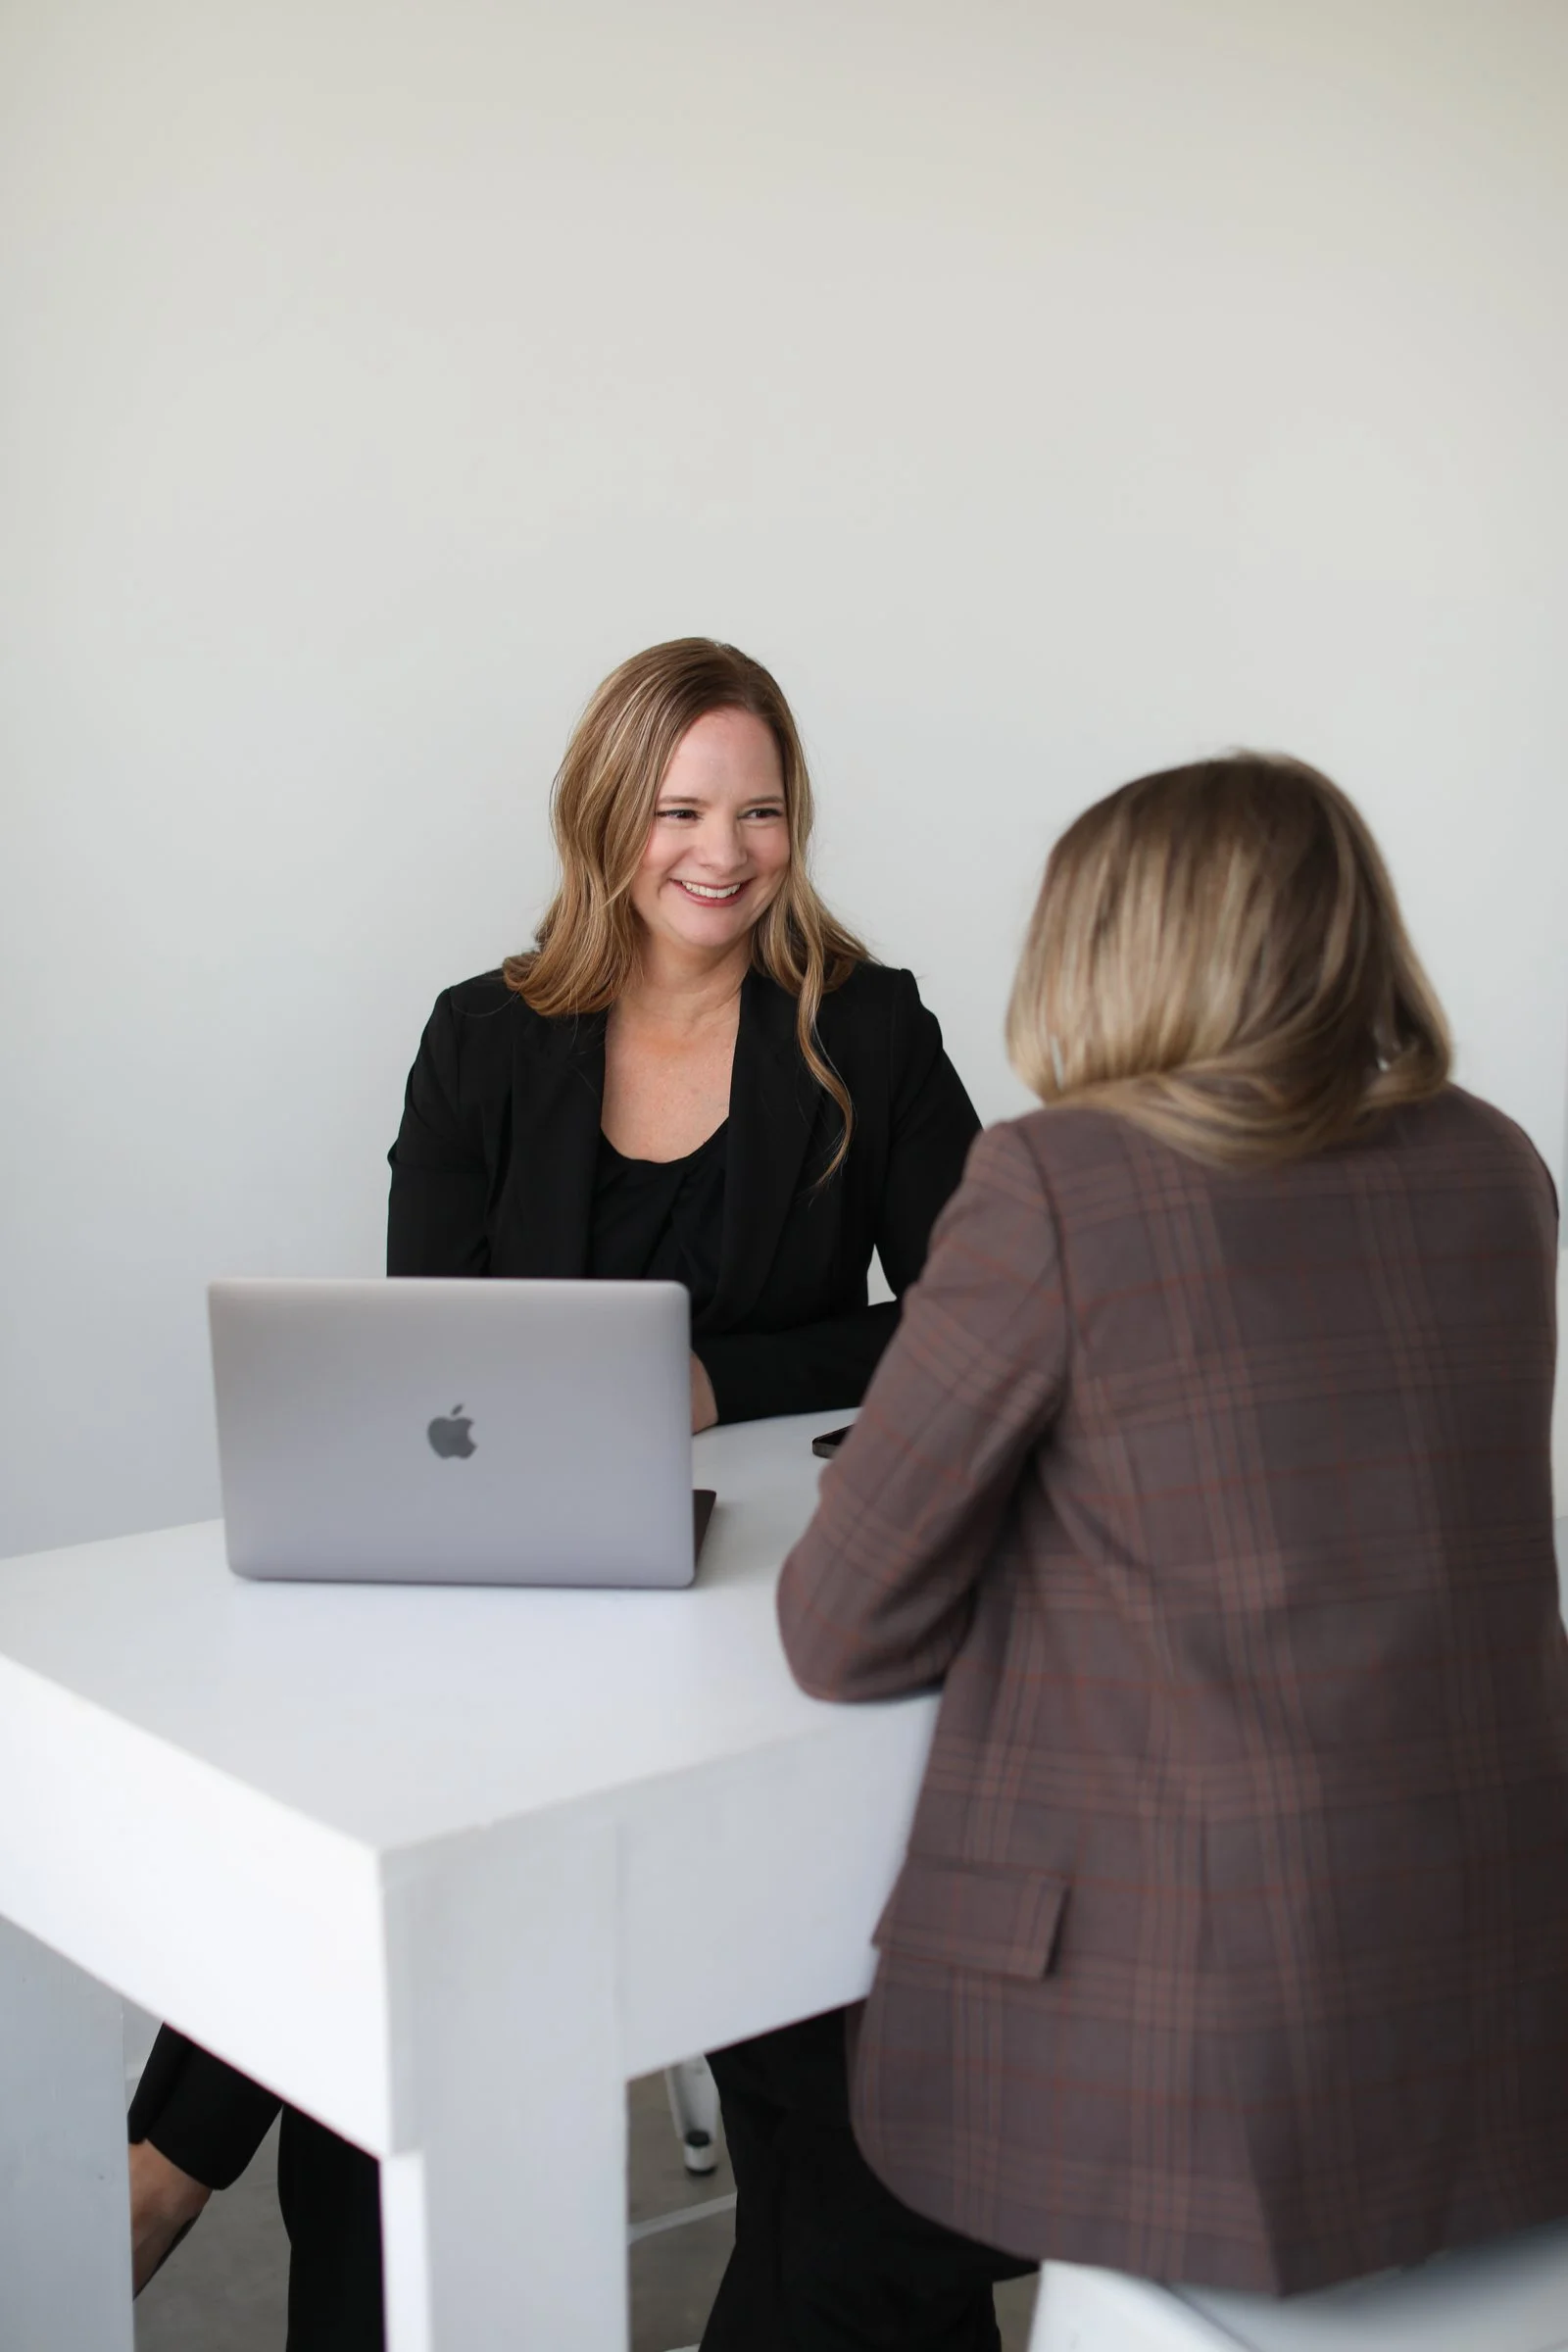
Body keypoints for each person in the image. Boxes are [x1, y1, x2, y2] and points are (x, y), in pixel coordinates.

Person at [126, 638, 980, 2347]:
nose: (722, 853)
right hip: (509, 1599)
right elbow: (418, 1366)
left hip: (755, 1613)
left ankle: (160, 2162)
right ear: (609, 819)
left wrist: (721, 1382)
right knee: (376, 1873)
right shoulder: (482, 1039)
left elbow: (977, 1315)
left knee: (395, 1862)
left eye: (760, 811)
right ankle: (223, 2178)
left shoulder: (864, 1031)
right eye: (679, 809)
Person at [725, 753, 1568, 2345]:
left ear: (1101, 947)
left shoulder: (1061, 1184)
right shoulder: (1499, 1169)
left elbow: (843, 1634)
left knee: (829, 2165)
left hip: (1197, 2060)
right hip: (1498, 2022)